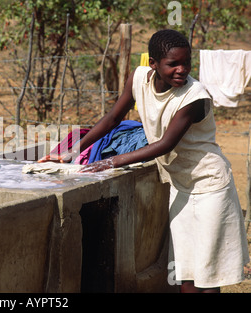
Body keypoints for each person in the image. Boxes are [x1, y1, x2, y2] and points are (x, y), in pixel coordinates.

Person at [39, 29, 249, 293]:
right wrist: (73, 151)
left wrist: (111, 161)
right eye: (173, 64)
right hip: (181, 186)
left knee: (207, 275)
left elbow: (164, 145)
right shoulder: (138, 79)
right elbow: (113, 118)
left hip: (210, 186)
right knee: (185, 270)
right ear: (153, 64)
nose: (182, 70)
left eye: (186, 63)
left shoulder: (194, 96)